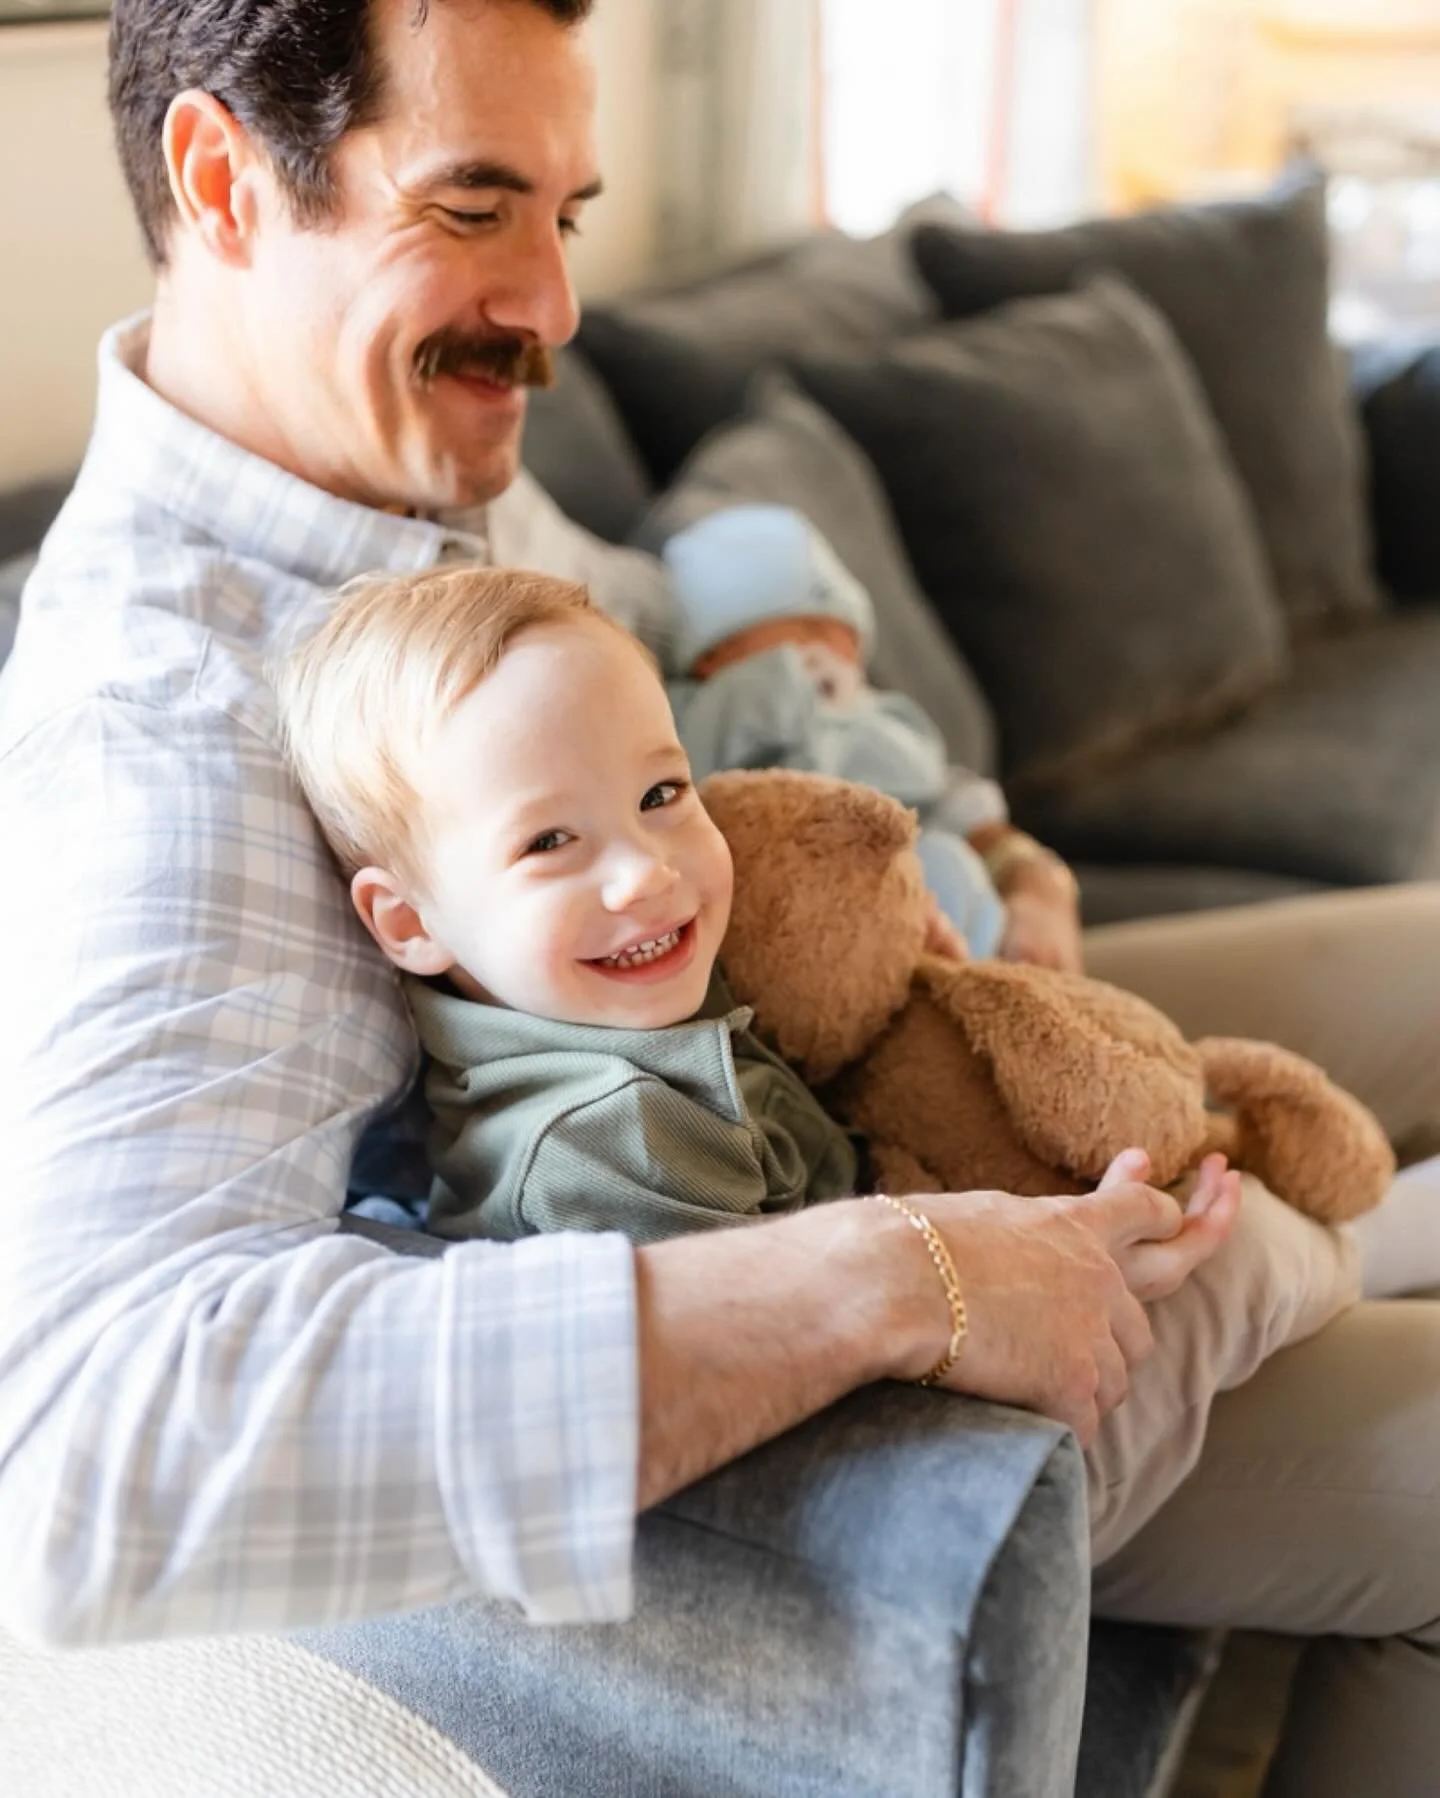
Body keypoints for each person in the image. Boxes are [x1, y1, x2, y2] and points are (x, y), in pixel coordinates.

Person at [0, 2, 1439, 1791]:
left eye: (564, 214)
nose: (553, 301)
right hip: (846, 1307)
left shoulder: (408, 482)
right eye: (470, 207)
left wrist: (979, 845)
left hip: (871, 1044)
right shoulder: (165, 723)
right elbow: (90, 1460)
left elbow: (673, 616)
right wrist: (890, 1272)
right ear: (222, 179)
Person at [660, 502, 1008, 957]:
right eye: (805, 629)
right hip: (794, 893)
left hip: (894, 870)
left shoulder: (869, 712)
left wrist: (847, 722)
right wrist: (779, 682)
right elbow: (695, 759)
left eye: (845, 635)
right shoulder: (696, 710)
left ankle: (970, 973)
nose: (830, 647)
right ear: (714, 655)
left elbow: (925, 778)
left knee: (948, 862)